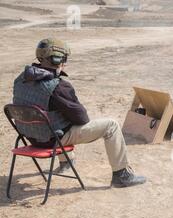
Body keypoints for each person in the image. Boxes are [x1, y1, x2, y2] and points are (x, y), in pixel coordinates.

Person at [12, 38, 146, 188]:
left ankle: (65, 163)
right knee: (111, 126)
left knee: (55, 119)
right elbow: (82, 118)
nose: (65, 62)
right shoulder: (58, 86)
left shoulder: (20, 79)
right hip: (51, 140)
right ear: (57, 59)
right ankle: (121, 175)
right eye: (64, 59)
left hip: (31, 136)